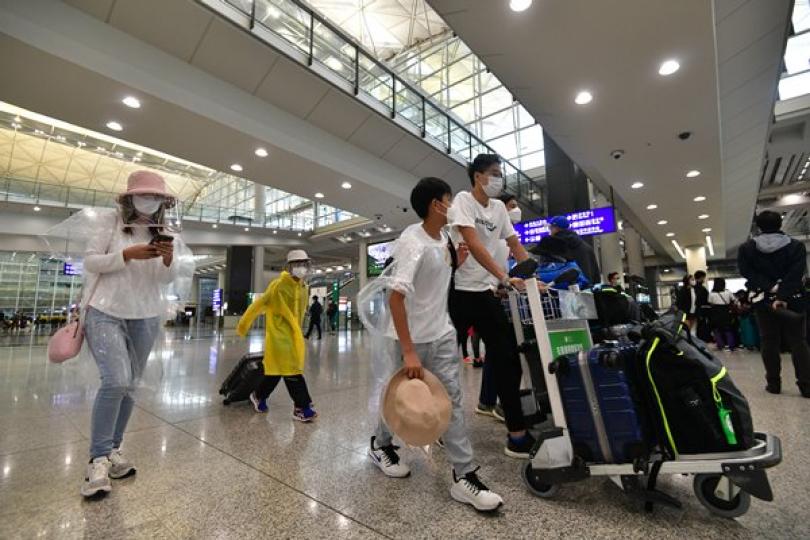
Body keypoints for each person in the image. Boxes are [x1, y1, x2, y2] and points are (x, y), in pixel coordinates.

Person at [368, 176, 504, 512]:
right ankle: (380, 444)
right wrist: (409, 351)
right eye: (449, 199)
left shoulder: (444, 238)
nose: (453, 205)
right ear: (436, 205)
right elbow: (396, 299)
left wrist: (459, 262)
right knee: (397, 396)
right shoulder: (411, 242)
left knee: (452, 400)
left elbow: (436, 281)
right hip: (408, 337)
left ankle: (464, 475)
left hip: (441, 333)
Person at [80, 171, 186, 498]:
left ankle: (114, 449)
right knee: (115, 380)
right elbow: (90, 262)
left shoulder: (164, 232)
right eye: (144, 195)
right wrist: (126, 255)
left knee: (130, 385)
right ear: (129, 197)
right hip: (105, 310)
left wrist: (168, 259)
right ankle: (98, 458)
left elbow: (166, 280)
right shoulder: (109, 222)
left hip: (146, 315)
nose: (149, 201)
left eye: (156, 197)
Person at [447, 154, 537, 458]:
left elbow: (514, 244)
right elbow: (473, 244)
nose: (499, 179)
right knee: (445, 362)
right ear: (477, 175)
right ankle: (439, 424)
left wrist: (533, 275)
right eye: (494, 173)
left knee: (508, 359)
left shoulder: (499, 208)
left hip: (486, 293)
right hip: (458, 292)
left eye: (501, 174)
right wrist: (504, 276)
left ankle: (517, 434)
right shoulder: (463, 200)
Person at [738, 211, 810, 397]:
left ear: (758, 226)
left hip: (763, 300)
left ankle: (774, 384)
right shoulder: (796, 246)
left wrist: (770, 287)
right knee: (798, 342)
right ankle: (806, 385)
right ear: (780, 224)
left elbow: (746, 271)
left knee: (769, 341)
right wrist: (783, 293)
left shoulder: (747, 248)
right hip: (793, 299)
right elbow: (796, 273)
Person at [239, 250, 318, 420]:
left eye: (304, 264)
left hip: (294, 335)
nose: (301, 267)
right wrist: (243, 325)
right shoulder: (278, 285)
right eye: (297, 264)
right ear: (289, 266)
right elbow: (259, 304)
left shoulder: (304, 287)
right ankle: (302, 406)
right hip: (279, 336)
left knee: (276, 371)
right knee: (292, 369)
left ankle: (259, 395)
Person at [548, 215, 601, 285]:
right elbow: (596, 276)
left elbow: (548, 271)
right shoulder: (587, 247)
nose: (549, 231)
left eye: (550, 228)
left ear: (556, 228)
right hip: (586, 288)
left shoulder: (552, 246)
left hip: (561, 288)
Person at [708, 278, 737, 351]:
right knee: (728, 329)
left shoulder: (711, 293)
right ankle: (731, 346)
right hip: (726, 312)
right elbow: (734, 300)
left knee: (716, 329)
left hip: (715, 312)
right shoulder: (728, 292)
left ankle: (720, 345)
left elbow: (710, 302)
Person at [693, 270, 713, 342]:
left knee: (700, 325)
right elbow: (705, 299)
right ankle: (704, 339)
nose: (704, 279)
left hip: (698, 309)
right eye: (703, 278)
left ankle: (700, 339)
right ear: (701, 278)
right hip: (702, 310)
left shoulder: (694, 288)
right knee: (703, 325)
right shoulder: (701, 288)